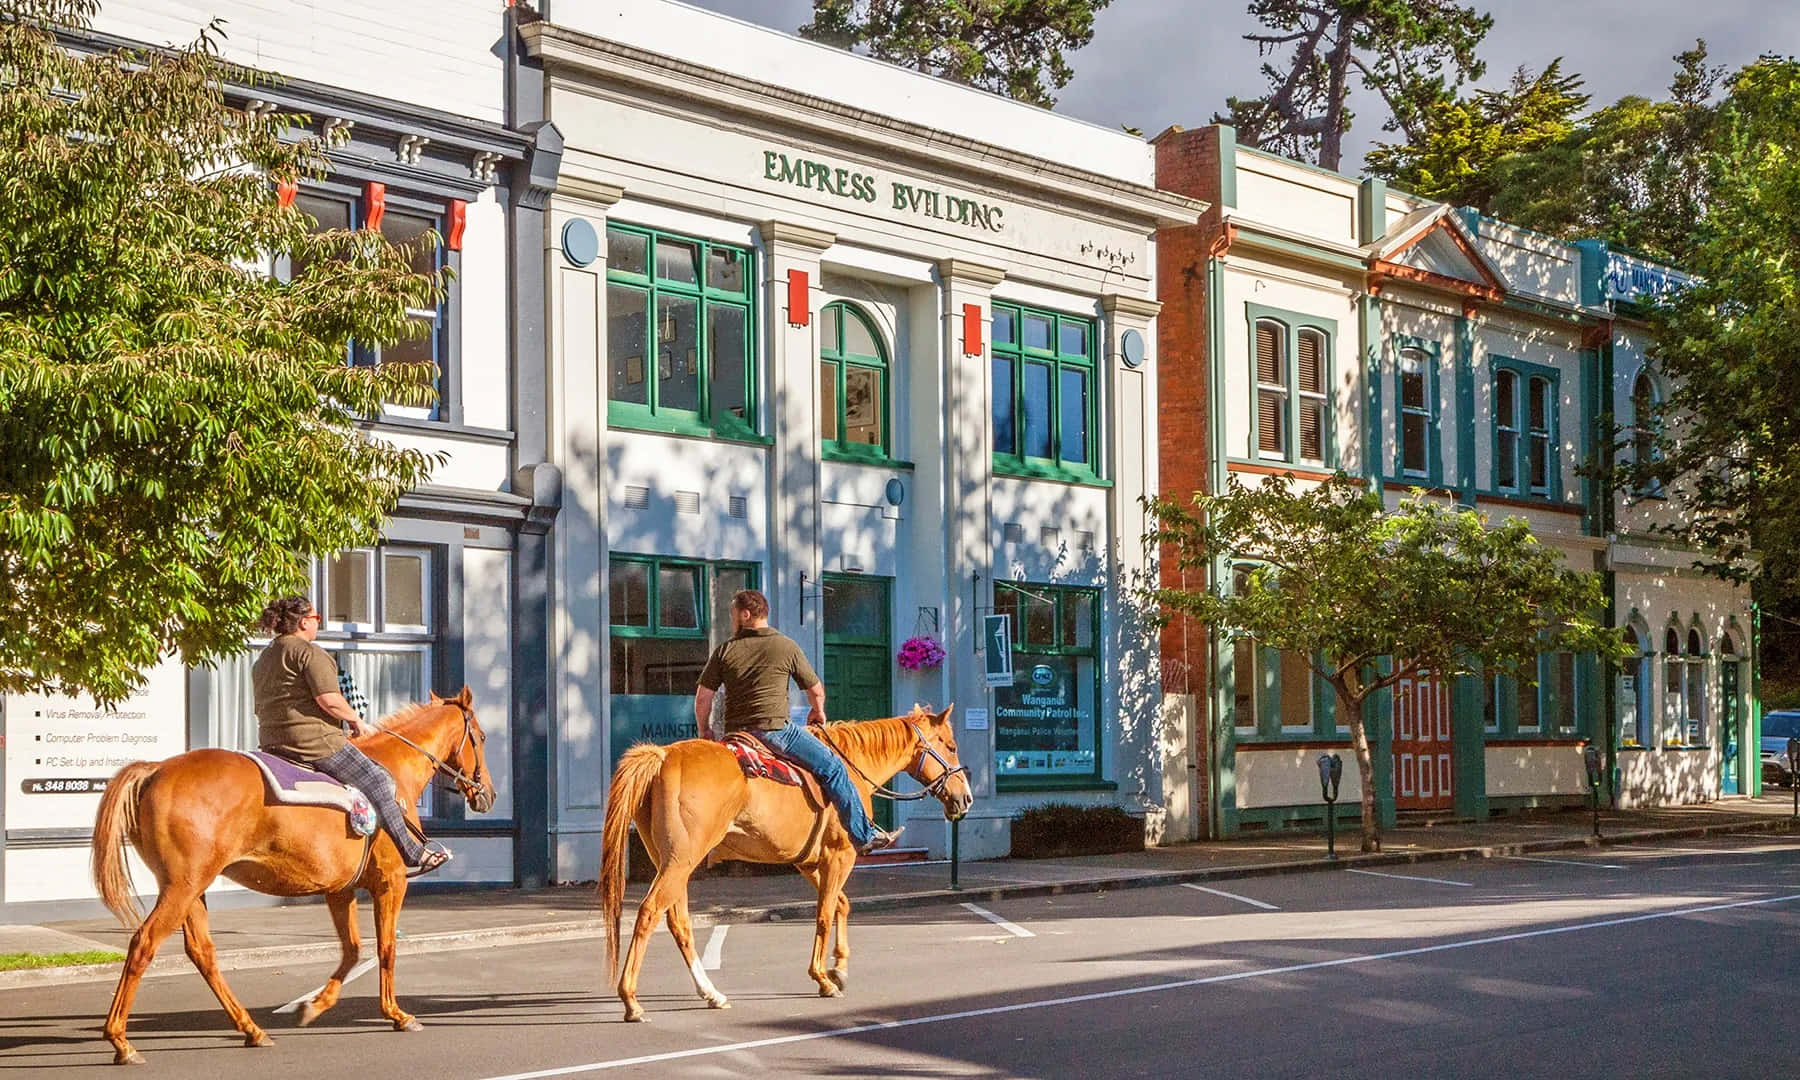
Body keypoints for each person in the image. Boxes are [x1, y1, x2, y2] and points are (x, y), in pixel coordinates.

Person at [252, 595, 450, 875]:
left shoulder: (265, 657)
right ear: (305, 621)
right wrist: (357, 720)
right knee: (379, 779)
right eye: (317, 619)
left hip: (272, 745)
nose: (317, 624)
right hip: (314, 743)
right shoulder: (309, 653)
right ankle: (413, 851)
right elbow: (329, 699)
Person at [695, 589, 902, 854]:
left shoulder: (725, 650)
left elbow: (703, 698)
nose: (732, 620)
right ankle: (863, 835)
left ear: (746, 615)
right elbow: (815, 690)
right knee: (834, 767)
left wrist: (705, 730)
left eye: (733, 615)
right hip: (775, 731)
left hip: (736, 734)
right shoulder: (786, 646)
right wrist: (818, 712)